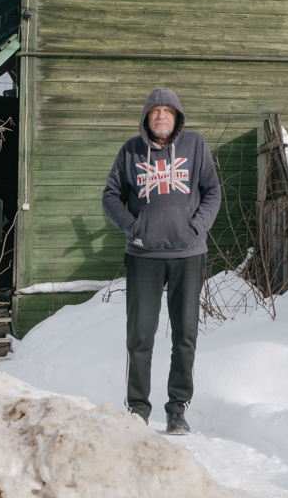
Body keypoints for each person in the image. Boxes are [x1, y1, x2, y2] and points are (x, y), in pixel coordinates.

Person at [101, 87, 221, 435]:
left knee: (185, 334)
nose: (161, 116)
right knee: (140, 336)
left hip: (188, 255)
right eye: (155, 111)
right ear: (146, 118)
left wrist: (197, 227)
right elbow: (110, 196)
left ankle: (177, 410)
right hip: (144, 256)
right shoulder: (130, 151)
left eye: (168, 111)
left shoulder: (195, 146)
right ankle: (138, 409)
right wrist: (132, 226)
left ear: (177, 117)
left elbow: (212, 191)